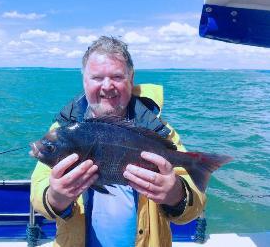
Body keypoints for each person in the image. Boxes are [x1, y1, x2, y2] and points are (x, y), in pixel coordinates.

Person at [30, 36, 206, 247]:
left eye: (117, 76)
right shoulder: (61, 134)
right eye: (97, 77)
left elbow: (194, 207)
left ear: (131, 80)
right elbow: (38, 193)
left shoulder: (158, 130)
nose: (107, 86)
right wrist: (56, 197)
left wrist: (176, 194)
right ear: (84, 80)